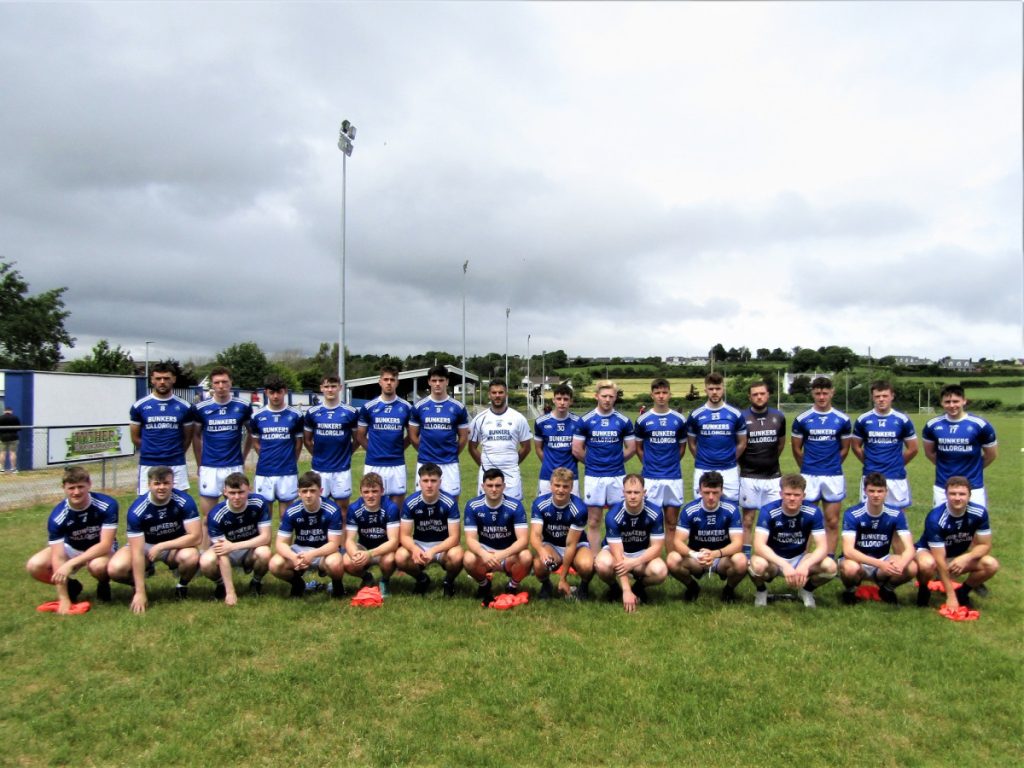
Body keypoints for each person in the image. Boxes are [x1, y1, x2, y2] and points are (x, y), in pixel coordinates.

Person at [108, 466, 202, 613]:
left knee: (191, 556)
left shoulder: (184, 501)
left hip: (174, 546)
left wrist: (163, 546)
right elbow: (138, 552)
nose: (162, 487)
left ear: (172, 484)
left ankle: (182, 585)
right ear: (149, 485)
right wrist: (140, 593)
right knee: (115, 569)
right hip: (145, 546)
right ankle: (139, 585)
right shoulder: (137, 510)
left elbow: (196, 537)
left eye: (166, 483)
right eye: (157, 483)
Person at [25, 467, 117, 613]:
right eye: (71, 488)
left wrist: (72, 564)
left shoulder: (107, 505)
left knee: (97, 566)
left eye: (80, 487)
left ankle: (103, 583)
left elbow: (105, 544)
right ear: (64, 488)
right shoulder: (57, 517)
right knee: (34, 565)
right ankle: (71, 588)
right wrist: (63, 598)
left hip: (99, 548)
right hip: (72, 547)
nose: (76, 492)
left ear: (89, 484)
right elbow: (58, 556)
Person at [749, 473, 836, 608]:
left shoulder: (813, 512)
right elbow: (759, 546)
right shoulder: (769, 511)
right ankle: (761, 591)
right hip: (774, 560)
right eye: (788, 494)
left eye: (796, 495)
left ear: (804, 496)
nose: (792, 498)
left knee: (830, 566)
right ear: (781, 494)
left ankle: (806, 590)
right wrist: (784, 565)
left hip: (800, 558)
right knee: (757, 565)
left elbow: (822, 547)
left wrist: (805, 565)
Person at [914, 476, 999, 610]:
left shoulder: (979, 513)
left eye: (962, 494)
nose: (957, 498)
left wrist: (966, 557)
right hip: (930, 554)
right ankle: (924, 589)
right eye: (952, 493)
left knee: (991, 564)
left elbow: (985, 545)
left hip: (956, 556)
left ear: (969, 495)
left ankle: (963, 592)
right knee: (927, 564)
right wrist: (950, 595)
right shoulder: (935, 518)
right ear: (946, 495)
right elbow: (940, 560)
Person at [790, 376, 852, 556]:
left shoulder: (842, 419)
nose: (822, 397)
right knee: (806, 519)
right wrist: (808, 466)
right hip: (809, 475)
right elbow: (796, 448)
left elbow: (845, 449)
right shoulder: (802, 419)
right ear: (812, 394)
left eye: (825, 393)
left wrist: (830, 465)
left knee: (832, 520)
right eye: (818, 393)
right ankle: (802, 557)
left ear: (832, 392)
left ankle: (829, 558)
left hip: (833, 475)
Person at [572, 380, 636, 551]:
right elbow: (577, 449)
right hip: (594, 476)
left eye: (611, 396)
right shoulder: (585, 420)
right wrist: (593, 462)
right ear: (596, 396)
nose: (607, 399)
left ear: (615, 398)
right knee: (593, 520)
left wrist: (615, 461)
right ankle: (594, 558)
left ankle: (619, 556)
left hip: (617, 476)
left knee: (619, 519)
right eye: (604, 396)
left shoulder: (624, 421)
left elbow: (632, 448)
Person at [667, 471, 747, 603]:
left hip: (722, 558)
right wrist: (695, 555)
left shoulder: (731, 509)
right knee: (672, 559)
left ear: (721, 491)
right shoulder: (690, 510)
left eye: (715, 492)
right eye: (706, 492)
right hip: (698, 558)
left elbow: (738, 543)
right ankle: (692, 587)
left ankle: (729, 589)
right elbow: (677, 541)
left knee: (741, 561)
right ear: (700, 491)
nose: (711, 497)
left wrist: (715, 554)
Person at [838, 471, 917, 605]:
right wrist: (880, 564)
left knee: (912, 567)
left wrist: (901, 565)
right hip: (858, 561)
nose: (875, 495)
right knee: (850, 568)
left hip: (883, 560)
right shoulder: (852, 514)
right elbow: (848, 551)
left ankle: (887, 589)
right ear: (865, 491)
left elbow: (910, 548)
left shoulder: (896, 514)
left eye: (880, 491)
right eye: (872, 491)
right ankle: (851, 591)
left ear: (886, 492)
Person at [191, 366, 253, 536]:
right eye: (217, 382)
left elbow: (251, 434)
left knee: (237, 512)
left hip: (234, 466)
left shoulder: (243, 406)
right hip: (210, 467)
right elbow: (196, 436)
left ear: (231, 383)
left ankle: (237, 549)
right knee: (208, 516)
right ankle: (205, 555)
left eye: (224, 382)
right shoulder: (201, 408)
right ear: (212, 385)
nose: (221, 386)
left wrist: (244, 455)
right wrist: (200, 462)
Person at [594, 474, 668, 612]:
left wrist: (633, 563)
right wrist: (625, 591)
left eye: (636, 492)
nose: (632, 496)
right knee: (602, 564)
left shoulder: (655, 512)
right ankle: (615, 588)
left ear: (644, 493)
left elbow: (657, 548)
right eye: (629, 492)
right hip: (616, 552)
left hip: (640, 554)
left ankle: (639, 587)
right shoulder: (613, 515)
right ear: (623, 493)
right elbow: (617, 555)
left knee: (661, 571)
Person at [268, 471, 345, 598]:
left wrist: (312, 554)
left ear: (320, 491)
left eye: (312, 491)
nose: (308, 495)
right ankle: (298, 584)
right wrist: (293, 557)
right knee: (275, 564)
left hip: (324, 551)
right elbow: (280, 543)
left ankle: (337, 586)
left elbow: (334, 544)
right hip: (300, 551)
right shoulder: (292, 511)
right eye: (304, 491)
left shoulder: (332, 510)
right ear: (299, 493)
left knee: (335, 563)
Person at [198, 472, 272, 605]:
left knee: (265, 552)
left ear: (249, 489)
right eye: (232, 493)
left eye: (241, 492)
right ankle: (221, 585)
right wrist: (230, 592)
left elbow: (266, 537)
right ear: (225, 492)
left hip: (250, 548)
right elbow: (222, 553)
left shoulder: (259, 503)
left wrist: (233, 546)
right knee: (206, 562)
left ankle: (256, 582)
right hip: (226, 552)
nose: (237, 497)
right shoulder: (216, 515)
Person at [921, 384, 998, 507]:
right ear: (942, 403)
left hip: (973, 485)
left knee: (974, 524)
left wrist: (974, 468)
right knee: (943, 524)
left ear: (964, 401)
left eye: (956, 401)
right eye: (947, 402)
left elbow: (991, 455)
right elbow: (929, 453)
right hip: (943, 486)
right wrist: (946, 466)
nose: (952, 405)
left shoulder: (981, 425)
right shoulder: (932, 425)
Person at [463, 468, 532, 603]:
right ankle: (484, 585)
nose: (494, 489)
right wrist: (484, 554)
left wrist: (502, 554)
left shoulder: (515, 505)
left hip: (508, 554)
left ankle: (512, 586)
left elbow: (523, 540)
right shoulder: (472, 506)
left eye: (498, 485)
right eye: (489, 485)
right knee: (468, 558)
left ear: (504, 486)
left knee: (526, 556)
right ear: (482, 486)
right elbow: (470, 540)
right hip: (486, 554)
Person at [396, 462, 464, 596]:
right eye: (425, 481)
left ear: (440, 482)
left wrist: (433, 551)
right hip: (420, 545)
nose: (429, 485)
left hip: (443, 547)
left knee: (458, 555)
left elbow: (455, 537)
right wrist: (415, 549)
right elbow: (404, 535)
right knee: (400, 557)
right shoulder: (410, 502)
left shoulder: (449, 502)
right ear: (419, 482)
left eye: (433, 481)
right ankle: (421, 579)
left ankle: (448, 582)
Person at [408, 366, 470, 505]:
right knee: (423, 503)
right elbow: (413, 436)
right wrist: (425, 450)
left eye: (441, 380)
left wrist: (452, 452)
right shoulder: (419, 407)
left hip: (449, 463)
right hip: (425, 462)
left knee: (451, 503)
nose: (437, 384)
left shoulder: (458, 407)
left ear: (447, 382)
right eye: (434, 380)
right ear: (429, 382)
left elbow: (463, 437)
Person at [129, 362, 195, 493]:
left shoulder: (185, 407)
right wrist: (151, 450)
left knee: (180, 504)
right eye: (158, 378)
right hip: (149, 463)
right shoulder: (139, 406)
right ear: (152, 380)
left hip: (176, 462)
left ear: (174, 379)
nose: (162, 382)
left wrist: (174, 452)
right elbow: (135, 438)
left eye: (166, 378)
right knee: (146, 505)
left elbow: (187, 438)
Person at [851, 380, 918, 509]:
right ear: (872, 397)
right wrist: (869, 462)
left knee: (898, 520)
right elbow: (855, 446)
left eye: (885, 396)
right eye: (877, 396)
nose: (881, 399)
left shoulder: (902, 420)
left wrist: (897, 463)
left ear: (892, 396)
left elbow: (913, 448)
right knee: (870, 518)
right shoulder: (863, 420)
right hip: (871, 475)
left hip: (896, 476)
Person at [738, 381, 786, 556]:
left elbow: (780, 445)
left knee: (773, 518)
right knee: (748, 519)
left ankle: (771, 554)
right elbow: (739, 445)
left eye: (762, 393)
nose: (759, 397)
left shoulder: (778, 416)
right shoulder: (741, 417)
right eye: (755, 394)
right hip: (749, 476)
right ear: (749, 397)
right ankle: (746, 554)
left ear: (768, 395)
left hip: (773, 477)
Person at [530, 467, 593, 600]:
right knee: (538, 564)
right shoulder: (540, 504)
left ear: (571, 488)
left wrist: (563, 578)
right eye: (557, 485)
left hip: (576, 546)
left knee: (587, 565)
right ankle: (546, 585)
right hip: (552, 545)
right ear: (551, 485)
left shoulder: (579, 508)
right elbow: (535, 535)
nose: (560, 489)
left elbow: (570, 545)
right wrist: (542, 552)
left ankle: (584, 586)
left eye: (565, 486)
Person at [356, 365, 413, 508]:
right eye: (386, 379)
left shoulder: (406, 407)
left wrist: (399, 448)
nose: (389, 383)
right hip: (374, 464)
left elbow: (412, 435)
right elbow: (360, 435)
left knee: (396, 509)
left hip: (397, 464)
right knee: (372, 508)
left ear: (397, 382)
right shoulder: (369, 407)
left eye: (392, 379)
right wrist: (374, 449)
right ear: (379, 381)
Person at [248, 375, 304, 520]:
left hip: (287, 472)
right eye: (272, 392)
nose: (275, 396)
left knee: (286, 518)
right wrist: (266, 456)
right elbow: (255, 442)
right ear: (266, 392)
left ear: (284, 391)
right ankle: (265, 544)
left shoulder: (296, 415)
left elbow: (298, 443)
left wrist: (291, 461)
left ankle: (284, 544)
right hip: (264, 472)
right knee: (264, 517)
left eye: (279, 392)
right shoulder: (257, 416)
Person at [635, 378, 687, 533]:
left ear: (670, 394)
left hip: (673, 477)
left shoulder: (680, 419)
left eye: (664, 392)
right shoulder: (643, 420)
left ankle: (670, 557)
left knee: (671, 524)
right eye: (657, 393)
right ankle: (651, 558)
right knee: (650, 523)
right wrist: (649, 464)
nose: (661, 396)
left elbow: (682, 447)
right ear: (652, 395)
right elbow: (638, 448)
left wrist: (670, 463)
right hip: (651, 477)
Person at [685, 372, 747, 503]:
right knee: (702, 507)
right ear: (705, 390)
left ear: (723, 389)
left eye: (718, 388)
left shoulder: (735, 414)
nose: (714, 392)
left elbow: (742, 442)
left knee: (731, 508)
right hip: (703, 468)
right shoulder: (695, 415)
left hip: (729, 469)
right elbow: (692, 443)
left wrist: (730, 457)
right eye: (711, 389)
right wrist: (703, 458)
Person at [304, 375, 360, 514]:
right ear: (321, 388)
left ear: (340, 388)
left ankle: (341, 536)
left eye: (333, 386)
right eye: (327, 386)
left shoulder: (350, 412)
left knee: (342, 509)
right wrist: (317, 455)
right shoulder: (312, 412)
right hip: (319, 469)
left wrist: (347, 453)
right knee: (319, 508)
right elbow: (307, 440)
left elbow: (357, 439)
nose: (330, 390)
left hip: (341, 470)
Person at [468, 378, 532, 500]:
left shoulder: (518, 418)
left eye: (501, 392)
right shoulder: (479, 419)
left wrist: (512, 463)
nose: (497, 395)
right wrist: (484, 465)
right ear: (489, 395)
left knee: (512, 511)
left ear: (506, 394)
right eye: (494, 392)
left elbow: (527, 447)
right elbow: (472, 447)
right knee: (486, 511)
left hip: (511, 474)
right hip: (487, 473)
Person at [343, 472, 400, 597]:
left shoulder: (391, 508)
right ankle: (367, 577)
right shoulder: (354, 508)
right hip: (364, 547)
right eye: (366, 492)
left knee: (389, 560)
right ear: (361, 492)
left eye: (374, 491)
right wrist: (355, 555)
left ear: (382, 491)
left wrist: (369, 554)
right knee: (347, 561)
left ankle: (384, 581)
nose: (370, 496)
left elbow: (394, 541)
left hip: (384, 549)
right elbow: (349, 540)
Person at [533, 384, 581, 496]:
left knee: (573, 511)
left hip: (571, 475)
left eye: (566, 399)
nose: (562, 402)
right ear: (553, 400)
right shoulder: (541, 422)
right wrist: (548, 463)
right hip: (547, 475)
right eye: (559, 399)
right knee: (544, 509)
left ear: (571, 401)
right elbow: (538, 448)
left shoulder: (579, 422)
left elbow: (580, 449)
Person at [0, 405, 21, 473]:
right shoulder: (15, 418)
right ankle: (13, 468)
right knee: (13, 453)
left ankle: (1, 469)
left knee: (2, 453)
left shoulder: (1, 418)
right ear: (11, 411)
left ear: (4, 411)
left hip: (3, 437)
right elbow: (19, 428)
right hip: (14, 437)